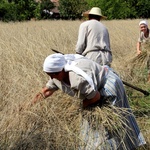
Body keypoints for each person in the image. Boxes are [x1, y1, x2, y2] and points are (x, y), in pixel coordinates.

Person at [32, 53, 146, 149]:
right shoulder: (57, 75)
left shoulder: (78, 78)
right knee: (91, 126)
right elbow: (46, 91)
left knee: (113, 124)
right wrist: (28, 105)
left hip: (108, 87)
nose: (52, 78)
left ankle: (123, 146)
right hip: (94, 92)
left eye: (53, 75)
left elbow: (95, 97)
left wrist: (79, 109)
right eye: (50, 75)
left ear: (61, 70)